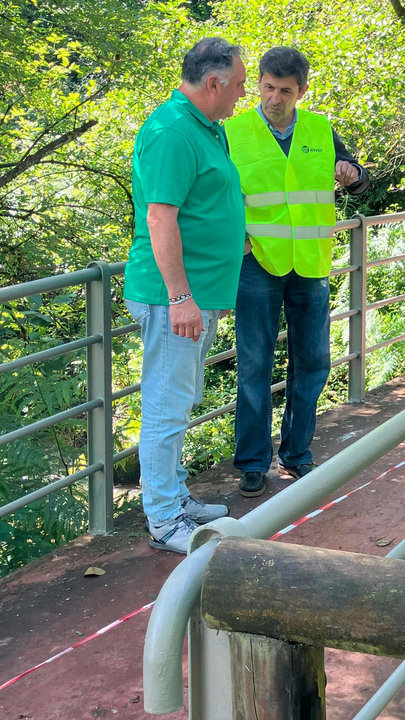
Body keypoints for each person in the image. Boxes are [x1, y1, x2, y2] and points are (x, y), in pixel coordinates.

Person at [227, 46, 370, 498]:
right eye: (268, 87)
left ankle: (296, 455)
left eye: (285, 91)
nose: (274, 97)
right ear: (259, 84)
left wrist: (353, 174)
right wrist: (238, 242)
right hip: (257, 264)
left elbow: (359, 179)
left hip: (310, 264)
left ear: (302, 91)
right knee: (254, 364)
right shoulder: (232, 131)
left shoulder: (320, 129)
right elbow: (213, 195)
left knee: (312, 362)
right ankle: (253, 463)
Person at [123, 38, 247, 553]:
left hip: (194, 294)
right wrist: (180, 298)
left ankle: (174, 497)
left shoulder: (205, 127)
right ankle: (164, 519)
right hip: (171, 297)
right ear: (213, 82)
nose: (243, 94)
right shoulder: (173, 131)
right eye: (239, 85)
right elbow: (160, 216)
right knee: (166, 406)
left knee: (179, 401)